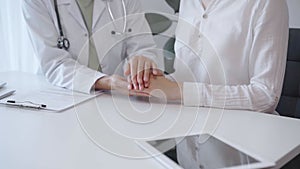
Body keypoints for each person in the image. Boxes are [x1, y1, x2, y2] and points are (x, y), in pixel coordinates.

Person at [136, 0, 289, 168]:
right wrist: (155, 81)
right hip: (187, 150)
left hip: (242, 152)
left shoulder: (266, 3)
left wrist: (178, 90)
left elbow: (266, 95)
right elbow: (188, 74)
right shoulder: (189, 3)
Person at [22, 0, 160, 94]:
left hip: (114, 98)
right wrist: (106, 82)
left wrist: (142, 63)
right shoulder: (37, 2)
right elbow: (54, 63)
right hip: (62, 95)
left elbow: (144, 47)